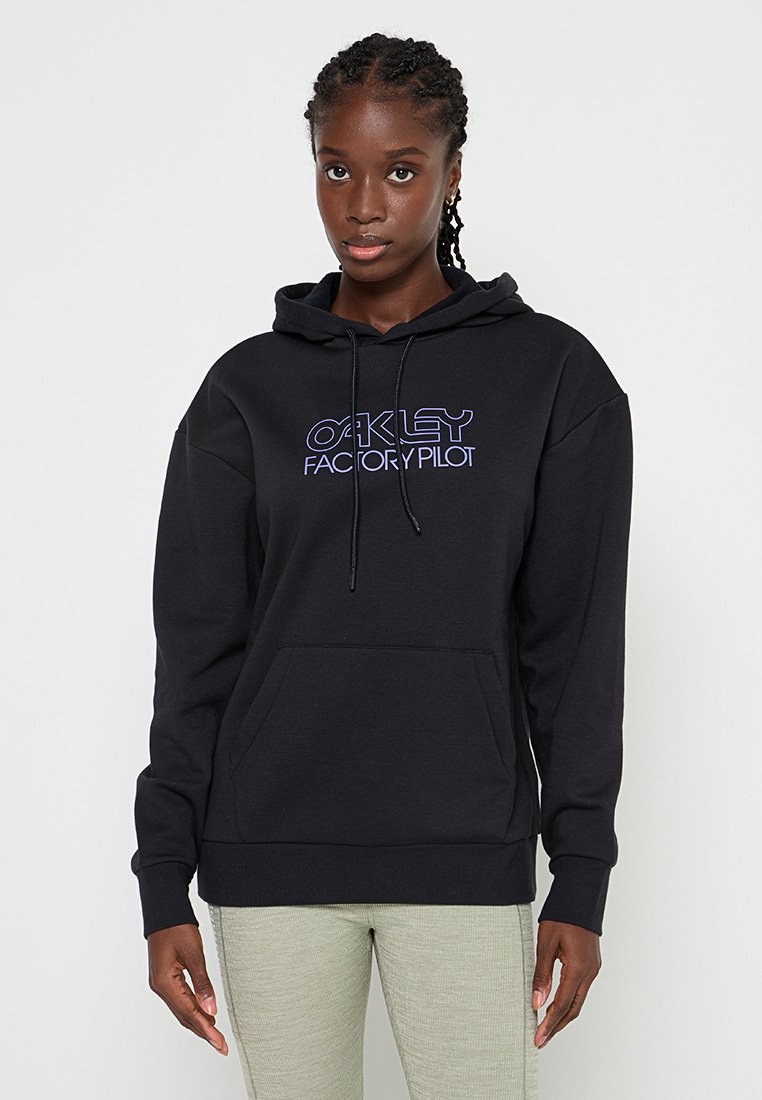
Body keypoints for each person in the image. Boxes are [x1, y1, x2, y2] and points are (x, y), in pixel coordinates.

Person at [131, 31, 633, 1100]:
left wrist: (581, 875)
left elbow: (575, 648)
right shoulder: (244, 393)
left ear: (453, 173)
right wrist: (162, 875)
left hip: (465, 849)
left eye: (401, 171)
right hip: (269, 854)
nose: (363, 206)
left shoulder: (554, 379)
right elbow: (197, 648)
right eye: (337, 169)